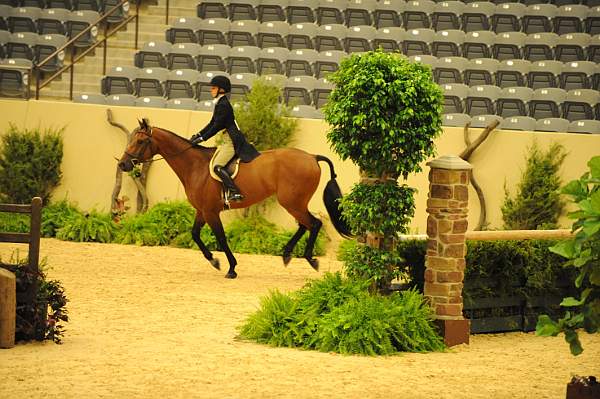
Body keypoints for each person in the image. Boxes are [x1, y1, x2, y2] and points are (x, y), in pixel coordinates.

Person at [190, 75, 260, 202]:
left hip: (232, 141)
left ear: (221, 89)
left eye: (214, 88)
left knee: (217, 166)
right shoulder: (220, 103)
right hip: (227, 140)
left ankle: (235, 192)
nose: (211, 90)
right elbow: (212, 123)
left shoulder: (223, 105)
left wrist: (202, 139)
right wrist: (198, 135)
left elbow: (217, 126)